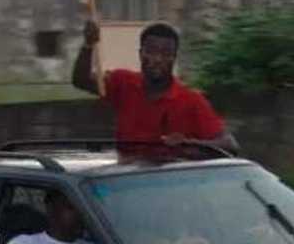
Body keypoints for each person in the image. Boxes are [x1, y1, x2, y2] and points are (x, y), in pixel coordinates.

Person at [71, 20, 239, 154]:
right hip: (124, 183)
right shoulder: (122, 82)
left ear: (174, 58)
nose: (157, 59)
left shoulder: (191, 100)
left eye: (166, 53)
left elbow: (230, 145)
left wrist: (188, 144)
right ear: (140, 54)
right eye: (151, 51)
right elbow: (81, 80)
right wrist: (88, 45)